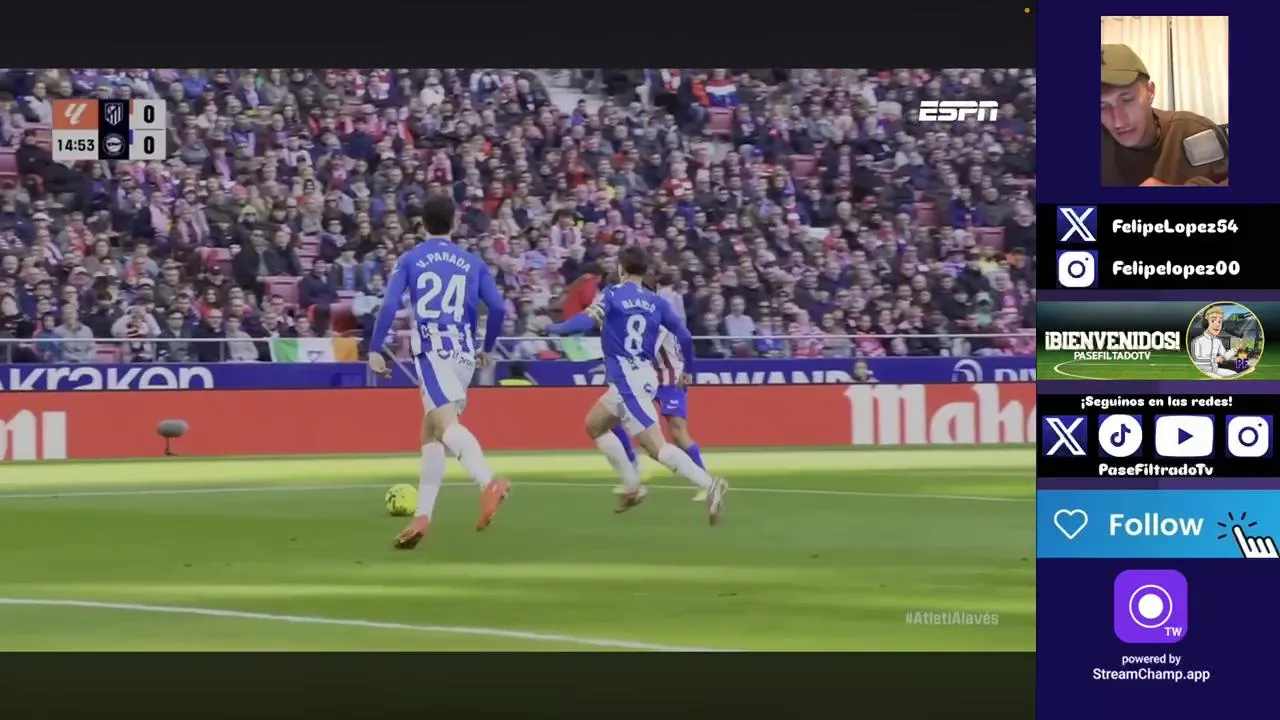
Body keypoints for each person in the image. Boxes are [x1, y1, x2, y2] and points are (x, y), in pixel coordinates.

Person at [367, 195, 510, 549]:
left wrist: (374, 348)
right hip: (463, 354)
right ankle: (422, 517)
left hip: (433, 351)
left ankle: (488, 481)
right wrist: (487, 347)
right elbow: (497, 307)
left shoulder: (411, 259)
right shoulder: (472, 262)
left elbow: (389, 304)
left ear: (422, 224)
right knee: (430, 433)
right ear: (454, 222)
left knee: (446, 427)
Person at [547, 246, 727, 524]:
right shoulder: (657, 302)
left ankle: (710, 484)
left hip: (629, 380)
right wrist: (689, 370)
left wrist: (557, 327)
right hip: (638, 376)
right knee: (595, 425)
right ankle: (632, 486)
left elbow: (586, 319)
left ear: (621, 268)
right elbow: (685, 337)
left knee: (657, 448)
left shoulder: (613, 294)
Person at [611, 273, 712, 502]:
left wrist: (688, 371)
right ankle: (634, 469)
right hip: (646, 378)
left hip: (669, 379)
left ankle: (705, 482)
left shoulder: (658, 313)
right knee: (613, 417)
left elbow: (645, 350)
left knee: (678, 433)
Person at [1101, 43, 1229, 187]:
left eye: (1127, 100)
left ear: (1150, 91)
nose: (1118, 121)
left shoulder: (1195, 132)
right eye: (1102, 107)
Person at [1189, 305, 1240, 378]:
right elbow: (1196, 360)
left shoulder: (1218, 341)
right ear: (1206, 323)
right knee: (1220, 378)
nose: (1218, 324)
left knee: (1234, 374)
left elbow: (1225, 356)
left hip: (1215, 370)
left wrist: (1235, 349)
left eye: (1219, 321)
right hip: (1203, 371)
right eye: (1213, 320)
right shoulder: (1197, 341)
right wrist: (1214, 360)